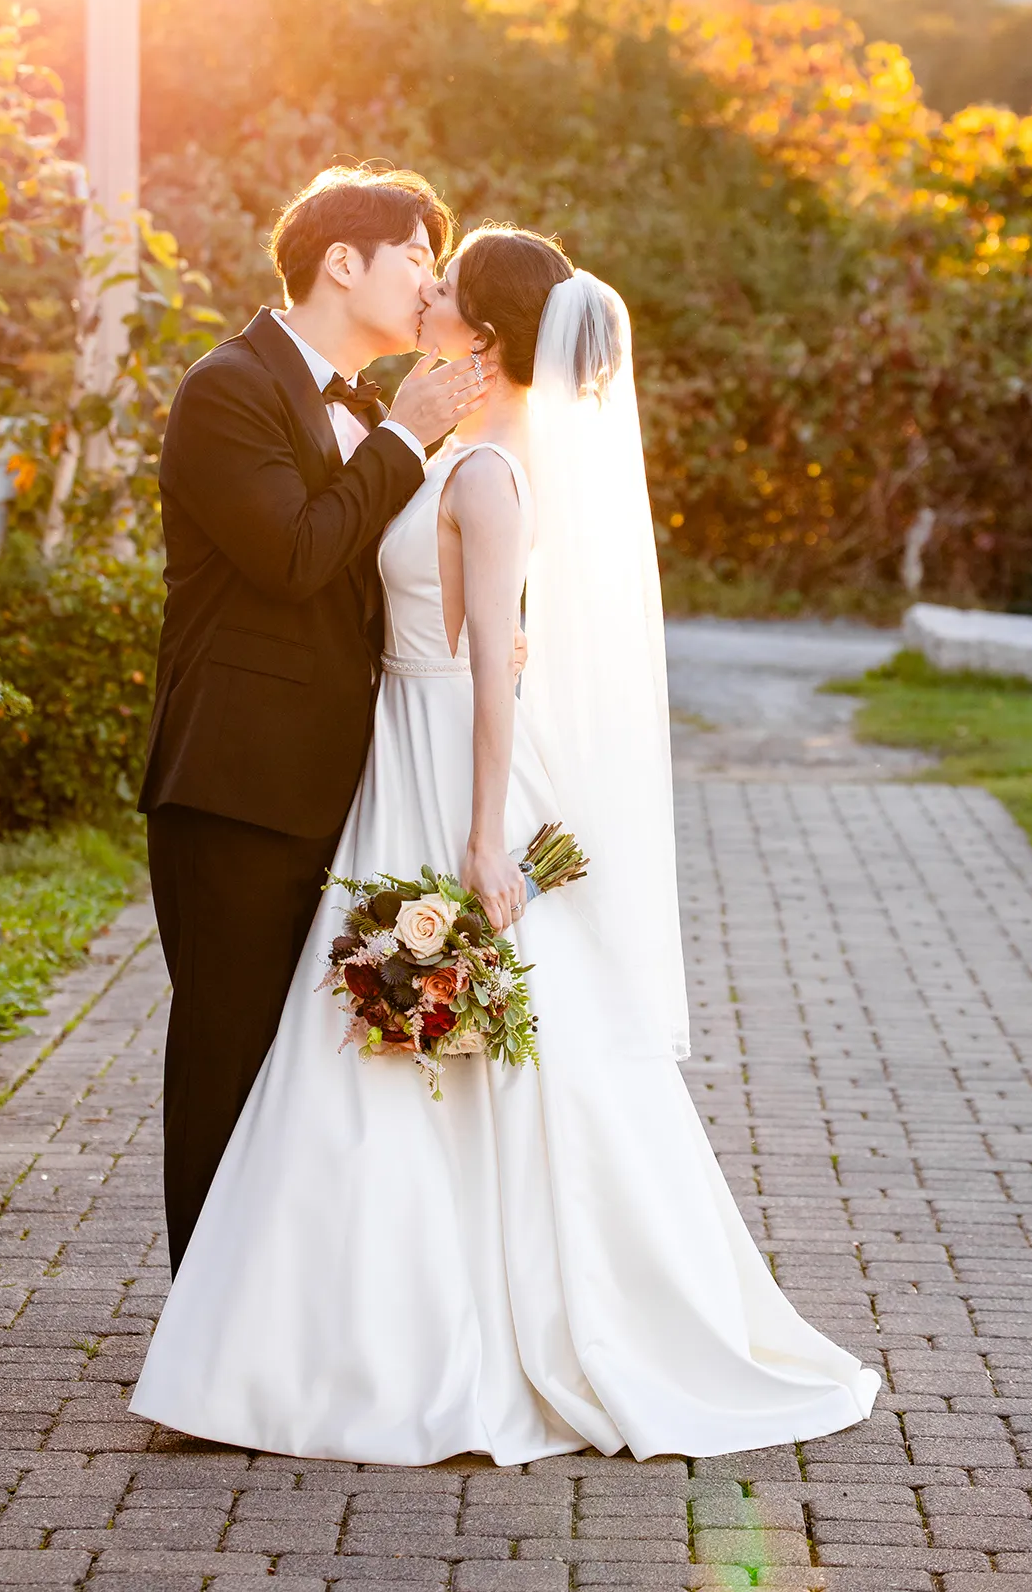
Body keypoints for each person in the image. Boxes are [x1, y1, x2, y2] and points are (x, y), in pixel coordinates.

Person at [132, 226, 881, 1464]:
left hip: (441, 772)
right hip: (380, 766)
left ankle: (438, 1320)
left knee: (438, 1049)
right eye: (410, 266)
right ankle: (299, 1321)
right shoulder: (416, 437)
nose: (422, 291)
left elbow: (487, 657)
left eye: (442, 281)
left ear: (476, 332)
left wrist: (485, 831)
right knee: (337, 1053)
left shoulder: (478, 466)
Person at [138, 165, 491, 1275]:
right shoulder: (226, 387)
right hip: (236, 782)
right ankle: (204, 1318)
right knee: (228, 1053)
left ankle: (280, 1312)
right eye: (416, 259)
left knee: (310, 1067)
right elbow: (291, 555)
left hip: (349, 784)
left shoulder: (371, 411)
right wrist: (403, 439)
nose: (429, 282)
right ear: (344, 262)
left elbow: (369, 569)